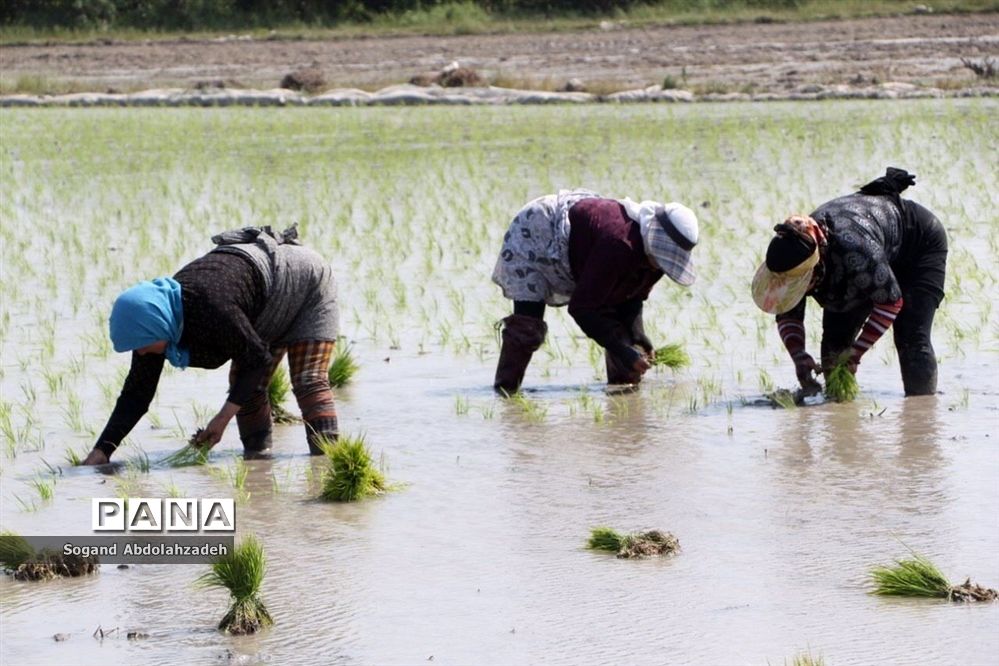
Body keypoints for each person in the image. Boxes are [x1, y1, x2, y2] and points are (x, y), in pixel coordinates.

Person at [81, 225, 340, 465]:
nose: (140, 353)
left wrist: (221, 419)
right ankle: (258, 464)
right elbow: (137, 394)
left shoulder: (210, 306)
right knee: (246, 386)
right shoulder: (156, 324)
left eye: (141, 345)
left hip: (306, 284)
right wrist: (102, 451)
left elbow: (258, 360)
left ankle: (328, 465)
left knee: (308, 380)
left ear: (155, 326)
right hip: (262, 304)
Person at [751, 167, 947, 396]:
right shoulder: (794, 256)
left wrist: (856, 353)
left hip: (917, 245)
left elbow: (891, 302)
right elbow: (787, 310)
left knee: (912, 338)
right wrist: (799, 356)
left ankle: (921, 415)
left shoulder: (854, 251)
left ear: (815, 269)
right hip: (856, 261)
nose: (796, 290)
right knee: (834, 351)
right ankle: (839, 418)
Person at [491, 189, 699, 393]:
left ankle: (623, 396)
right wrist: (623, 352)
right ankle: (506, 390)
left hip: (589, 246)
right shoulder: (619, 244)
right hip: (539, 230)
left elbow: (632, 297)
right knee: (527, 327)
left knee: (623, 332)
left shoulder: (654, 261)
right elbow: (583, 309)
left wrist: (638, 337)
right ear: (655, 241)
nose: (660, 266)